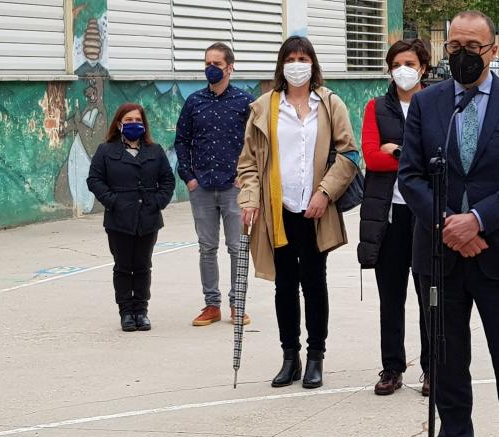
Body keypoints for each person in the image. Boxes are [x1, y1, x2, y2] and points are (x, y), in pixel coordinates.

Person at [397, 10, 499, 437]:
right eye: (454, 45)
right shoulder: (428, 104)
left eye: (473, 46)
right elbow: (412, 175)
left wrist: (477, 221)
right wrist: (448, 226)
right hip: (439, 257)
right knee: (446, 366)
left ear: (493, 50)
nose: (462, 54)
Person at [236, 36, 360, 390]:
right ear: (281, 64)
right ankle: (290, 357)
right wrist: (250, 199)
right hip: (279, 209)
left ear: (313, 63)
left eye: (303, 57)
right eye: (290, 58)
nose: (296, 63)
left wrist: (326, 192)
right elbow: (248, 162)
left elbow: (348, 154)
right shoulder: (264, 107)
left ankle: (316, 356)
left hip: (316, 210)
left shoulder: (330, 103)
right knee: (284, 285)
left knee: (314, 283)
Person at [357, 39, 432, 397]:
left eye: (409, 62)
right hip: (388, 216)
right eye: (396, 63)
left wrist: (398, 149)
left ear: (423, 68)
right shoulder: (375, 108)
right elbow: (372, 158)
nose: (402, 69)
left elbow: (437, 158)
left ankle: (432, 368)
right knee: (391, 296)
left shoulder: (437, 104)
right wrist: (412, 154)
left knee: (428, 294)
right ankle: (392, 367)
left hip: (425, 214)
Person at [175, 42, 255, 328]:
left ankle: (238, 304)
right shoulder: (194, 102)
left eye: (217, 64)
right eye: (207, 63)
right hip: (203, 188)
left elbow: (256, 143)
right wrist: (189, 177)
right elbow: (182, 141)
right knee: (207, 247)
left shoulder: (246, 102)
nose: (211, 68)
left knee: (237, 247)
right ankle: (212, 305)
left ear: (230, 67)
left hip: (235, 187)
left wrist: (245, 176)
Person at [86, 103, 175, 332]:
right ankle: (126, 312)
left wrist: (157, 203)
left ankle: (141, 311)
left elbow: (167, 180)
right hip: (119, 220)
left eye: (138, 120)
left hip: (148, 218)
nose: (134, 124)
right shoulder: (106, 151)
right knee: (123, 266)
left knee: (143, 266)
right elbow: (94, 180)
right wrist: (113, 201)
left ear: (144, 125)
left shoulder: (155, 151)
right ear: (119, 124)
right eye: (128, 121)